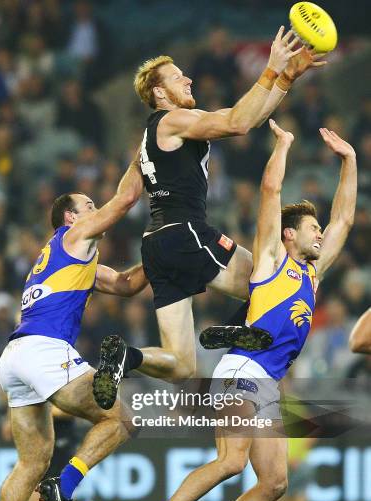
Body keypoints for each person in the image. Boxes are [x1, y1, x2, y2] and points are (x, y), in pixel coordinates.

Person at [131, 120, 357, 501]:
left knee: (275, 482)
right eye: (312, 229)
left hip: (267, 384)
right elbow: (271, 189)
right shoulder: (272, 259)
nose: (320, 234)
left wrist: (350, 160)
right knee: (232, 462)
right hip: (240, 372)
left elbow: (345, 222)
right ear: (291, 235)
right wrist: (284, 145)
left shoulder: (313, 275)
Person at [93, 30, 327, 410]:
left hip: (156, 244)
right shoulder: (173, 121)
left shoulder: (148, 139)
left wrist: (287, 78)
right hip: (187, 232)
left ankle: (127, 357)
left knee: (182, 366)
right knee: (273, 284)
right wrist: (272, 68)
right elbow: (238, 123)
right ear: (159, 94)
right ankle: (236, 328)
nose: (188, 79)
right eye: (177, 77)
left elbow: (127, 196)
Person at [0, 163, 148, 501]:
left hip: (15, 357)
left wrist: (163, 256)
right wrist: (147, 153)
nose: (93, 209)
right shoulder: (75, 236)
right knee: (121, 420)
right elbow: (125, 199)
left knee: (31, 461)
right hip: (45, 351)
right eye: (87, 206)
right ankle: (65, 485)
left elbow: (127, 284)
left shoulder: (68, 255)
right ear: (71, 218)